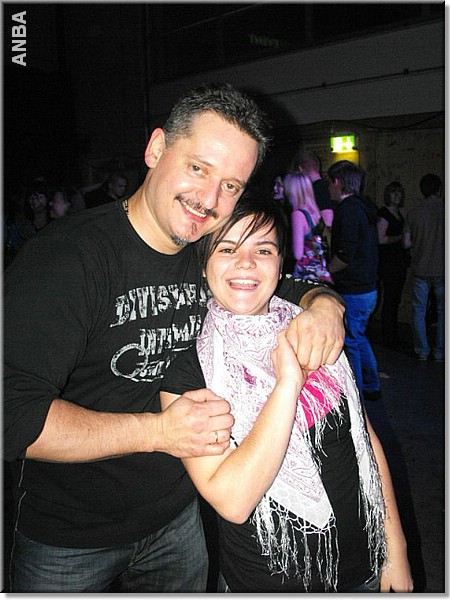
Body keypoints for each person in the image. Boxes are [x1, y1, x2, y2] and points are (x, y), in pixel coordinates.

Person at [4, 82, 346, 593]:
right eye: (198, 168)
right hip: (70, 536)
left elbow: (278, 284)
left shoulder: (203, 251)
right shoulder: (68, 259)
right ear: (156, 149)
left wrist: (325, 303)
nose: (210, 200)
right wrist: (159, 432)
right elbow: (11, 415)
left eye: (231, 185)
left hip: (177, 520)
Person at [160, 194, 413, 593]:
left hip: (364, 567)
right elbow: (232, 500)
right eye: (227, 249)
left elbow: (364, 440)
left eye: (263, 250)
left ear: (280, 266)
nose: (246, 263)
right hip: (267, 582)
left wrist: (395, 549)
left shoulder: (313, 330)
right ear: (204, 265)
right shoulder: (188, 372)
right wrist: (287, 385)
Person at [327, 160, 381, 402]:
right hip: (367, 287)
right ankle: (371, 385)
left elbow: (345, 255)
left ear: (337, 182)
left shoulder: (348, 209)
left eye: (330, 182)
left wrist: (326, 272)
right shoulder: (363, 206)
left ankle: (356, 395)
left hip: (355, 288)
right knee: (358, 337)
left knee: (352, 343)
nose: (329, 188)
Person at [403, 173, 444, 361]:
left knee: (419, 311)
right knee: (443, 311)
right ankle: (440, 350)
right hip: (443, 269)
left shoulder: (413, 213)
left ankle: (422, 350)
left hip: (420, 268)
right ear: (439, 189)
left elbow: (406, 243)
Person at [284, 171, 333, 284]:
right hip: (321, 270)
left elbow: (298, 254)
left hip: (306, 274)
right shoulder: (315, 211)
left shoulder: (298, 215)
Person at [377, 181, 410, 347]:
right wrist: (400, 237)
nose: (397, 195)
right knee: (390, 299)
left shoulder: (398, 214)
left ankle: (391, 334)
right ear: (388, 195)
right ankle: (388, 336)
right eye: (393, 192)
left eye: (399, 192)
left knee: (394, 299)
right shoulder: (384, 214)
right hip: (389, 263)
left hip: (398, 262)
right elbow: (380, 239)